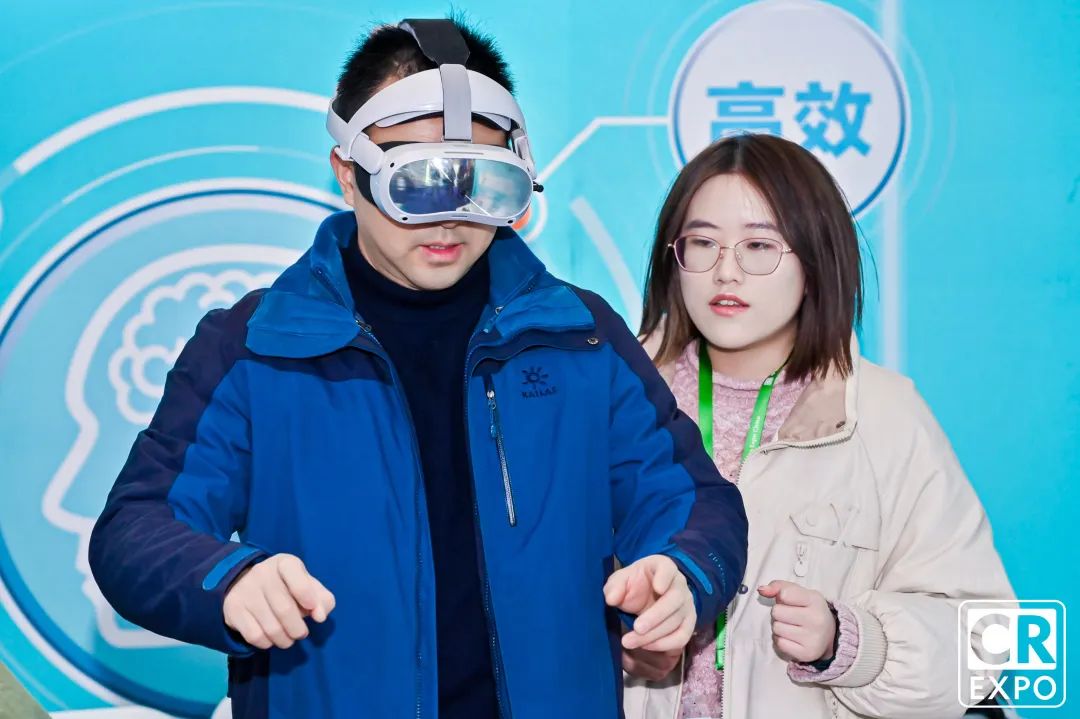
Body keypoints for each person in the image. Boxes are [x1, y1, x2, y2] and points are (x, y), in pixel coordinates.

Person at [88, 17, 748, 719]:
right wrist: (227, 580)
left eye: (481, 181)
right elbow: (136, 529)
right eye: (417, 182)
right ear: (348, 173)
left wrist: (681, 572)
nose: (450, 218)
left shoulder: (578, 337)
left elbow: (696, 501)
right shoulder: (255, 347)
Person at [624, 133, 1013, 719]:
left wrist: (852, 643)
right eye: (702, 242)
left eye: (760, 246)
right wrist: (618, 642)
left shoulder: (884, 415)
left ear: (815, 259)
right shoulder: (616, 398)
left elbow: (986, 642)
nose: (726, 272)